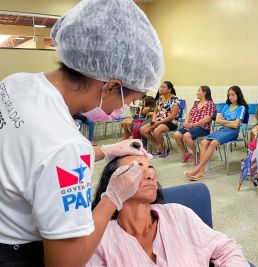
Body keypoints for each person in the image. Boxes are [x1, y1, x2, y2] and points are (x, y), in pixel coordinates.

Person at [0, 0, 164, 266]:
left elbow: (32, 156)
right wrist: (112, 197)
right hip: (16, 253)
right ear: (111, 86)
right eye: (129, 99)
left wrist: (107, 150)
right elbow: (66, 262)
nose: (124, 108)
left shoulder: (16, 83)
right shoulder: (66, 147)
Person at [86, 154, 250, 266]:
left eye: (150, 168)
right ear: (113, 182)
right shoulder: (100, 239)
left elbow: (228, 250)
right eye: (136, 169)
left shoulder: (178, 214)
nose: (149, 174)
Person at [184, 86, 248, 181]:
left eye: (233, 94)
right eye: (229, 95)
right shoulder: (227, 106)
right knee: (203, 142)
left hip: (232, 132)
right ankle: (201, 172)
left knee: (213, 143)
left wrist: (226, 122)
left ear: (238, 95)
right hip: (223, 129)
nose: (230, 97)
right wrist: (230, 122)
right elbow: (218, 120)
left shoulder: (241, 107)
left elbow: (236, 125)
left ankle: (198, 169)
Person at [173, 86, 216, 164]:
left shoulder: (210, 104)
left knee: (186, 136)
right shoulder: (196, 103)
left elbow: (207, 119)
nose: (197, 92)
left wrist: (193, 125)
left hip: (202, 127)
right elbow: (189, 115)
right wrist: (186, 122)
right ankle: (185, 153)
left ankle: (197, 154)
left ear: (204, 93)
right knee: (176, 134)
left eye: (199, 91)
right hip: (191, 126)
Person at [140, 81, 180, 158]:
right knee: (142, 129)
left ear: (169, 89)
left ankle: (163, 149)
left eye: (163, 87)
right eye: (160, 87)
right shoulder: (160, 98)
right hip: (159, 120)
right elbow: (155, 111)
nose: (160, 89)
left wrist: (158, 122)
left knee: (156, 131)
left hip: (170, 121)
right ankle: (157, 145)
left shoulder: (174, 99)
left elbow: (173, 116)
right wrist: (154, 120)